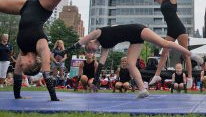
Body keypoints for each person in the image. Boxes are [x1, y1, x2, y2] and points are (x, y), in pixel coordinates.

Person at [0, 0, 104, 100]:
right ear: (30, 62)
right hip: (42, 7)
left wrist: (18, 98)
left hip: (24, 7)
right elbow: (46, 73)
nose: (19, 66)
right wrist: (54, 98)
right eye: (23, 66)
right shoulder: (41, 45)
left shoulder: (23, 51)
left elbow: (17, 75)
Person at [65, 24, 193, 98]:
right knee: (131, 64)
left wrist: (67, 50)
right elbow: (101, 65)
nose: (91, 51)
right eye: (91, 52)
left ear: (90, 42)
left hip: (137, 30)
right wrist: (95, 82)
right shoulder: (105, 47)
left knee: (163, 43)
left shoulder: (98, 32)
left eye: (89, 48)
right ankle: (143, 89)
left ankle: (189, 54)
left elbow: (82, 40)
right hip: (134, 39)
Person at [144, 0, 202, 89]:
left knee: (185, 53)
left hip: (180, 29)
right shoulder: (161, 1)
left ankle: (190, 77)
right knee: (164, 52)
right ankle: (157, 75)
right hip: (170, 30)